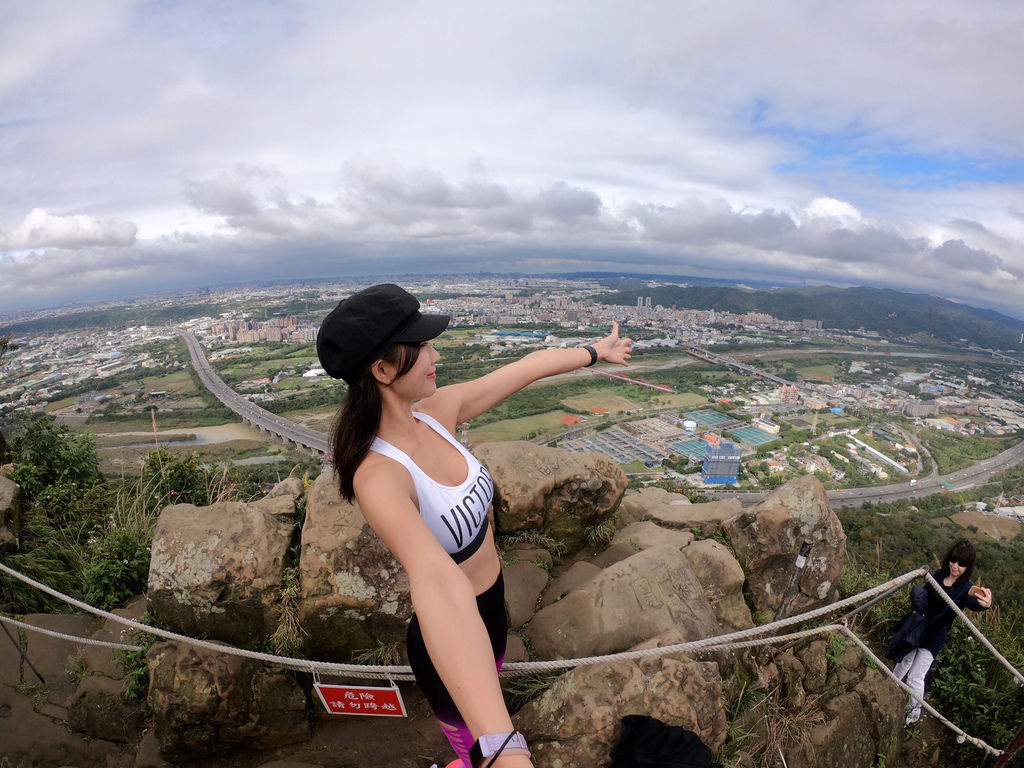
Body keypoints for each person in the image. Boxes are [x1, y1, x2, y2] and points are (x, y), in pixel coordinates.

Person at [316, 284, 633, 768]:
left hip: (492, 607)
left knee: (494, 682)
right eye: (420, 346)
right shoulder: (380, 476)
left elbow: (523, 368)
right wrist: (504, 745)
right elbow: (438, 580)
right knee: (474, 745)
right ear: (381, 369)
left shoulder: (435, 415)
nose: (434, 353)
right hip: (448, 634)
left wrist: (594, 352)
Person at [892, 538, 993, 726]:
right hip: (919, 628)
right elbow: (925, 593)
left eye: (962, 564)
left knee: (915, 676)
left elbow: (975, 604)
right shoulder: (939, 575)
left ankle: (913, 714)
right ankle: (890, 686)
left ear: (968, 566)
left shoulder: (966, 589)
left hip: (934, 637)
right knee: (904, 659)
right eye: (953, 560)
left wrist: (986, 604)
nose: (956, 566)